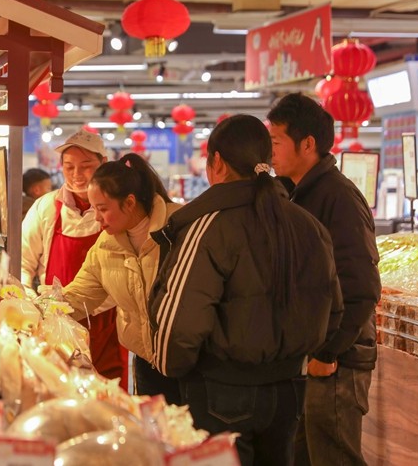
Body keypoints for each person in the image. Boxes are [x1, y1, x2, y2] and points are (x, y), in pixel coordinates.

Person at [149, 114, 342, 466]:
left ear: (217, 163)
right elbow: (333, 308)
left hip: (220, 390)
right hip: (289, 390)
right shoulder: (306, 224)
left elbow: (180, 321)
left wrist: (172, 372)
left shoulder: (209, 225)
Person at [267, 93, 381, 466]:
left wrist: (327, 352)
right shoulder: (296, 194)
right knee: (304, 455)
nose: (270, 151)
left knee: (334, 456)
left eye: (276, 142)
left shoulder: (338, 197)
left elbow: (361, 287)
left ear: (308, 144)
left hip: (337, 362)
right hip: (309, 357)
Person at [61, 153, 183, 404]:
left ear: (129, 203)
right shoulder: (106, 245)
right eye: (94, 209)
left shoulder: (181, 228)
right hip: (147, 363)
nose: (96, 217)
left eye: (103, 209)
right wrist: (37, 309)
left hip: (192, 363)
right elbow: (80, 294)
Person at [21, 129, 124, 383]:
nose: (77, 175)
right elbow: (23, 262)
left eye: (86, 166)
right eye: (69, 167)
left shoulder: (118, 210)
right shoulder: (45, 207)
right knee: (57, 388)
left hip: (106, 323)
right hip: (55, 322)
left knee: (106, 397)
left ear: (103, 164)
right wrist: (28, 302)